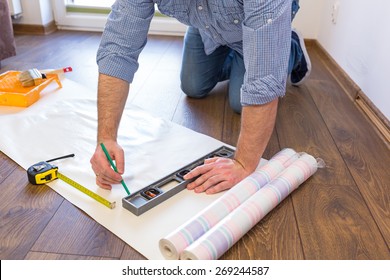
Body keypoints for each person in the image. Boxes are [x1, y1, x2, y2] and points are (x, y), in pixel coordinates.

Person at [90, 0, 311, 195]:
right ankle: (228, 46)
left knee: (238, 101)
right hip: (207, 23)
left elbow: (264, 79)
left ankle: (289, 46)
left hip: (261, 22)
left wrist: (243, 164)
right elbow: (118, 50)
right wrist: (106, 138)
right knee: (193, 86)